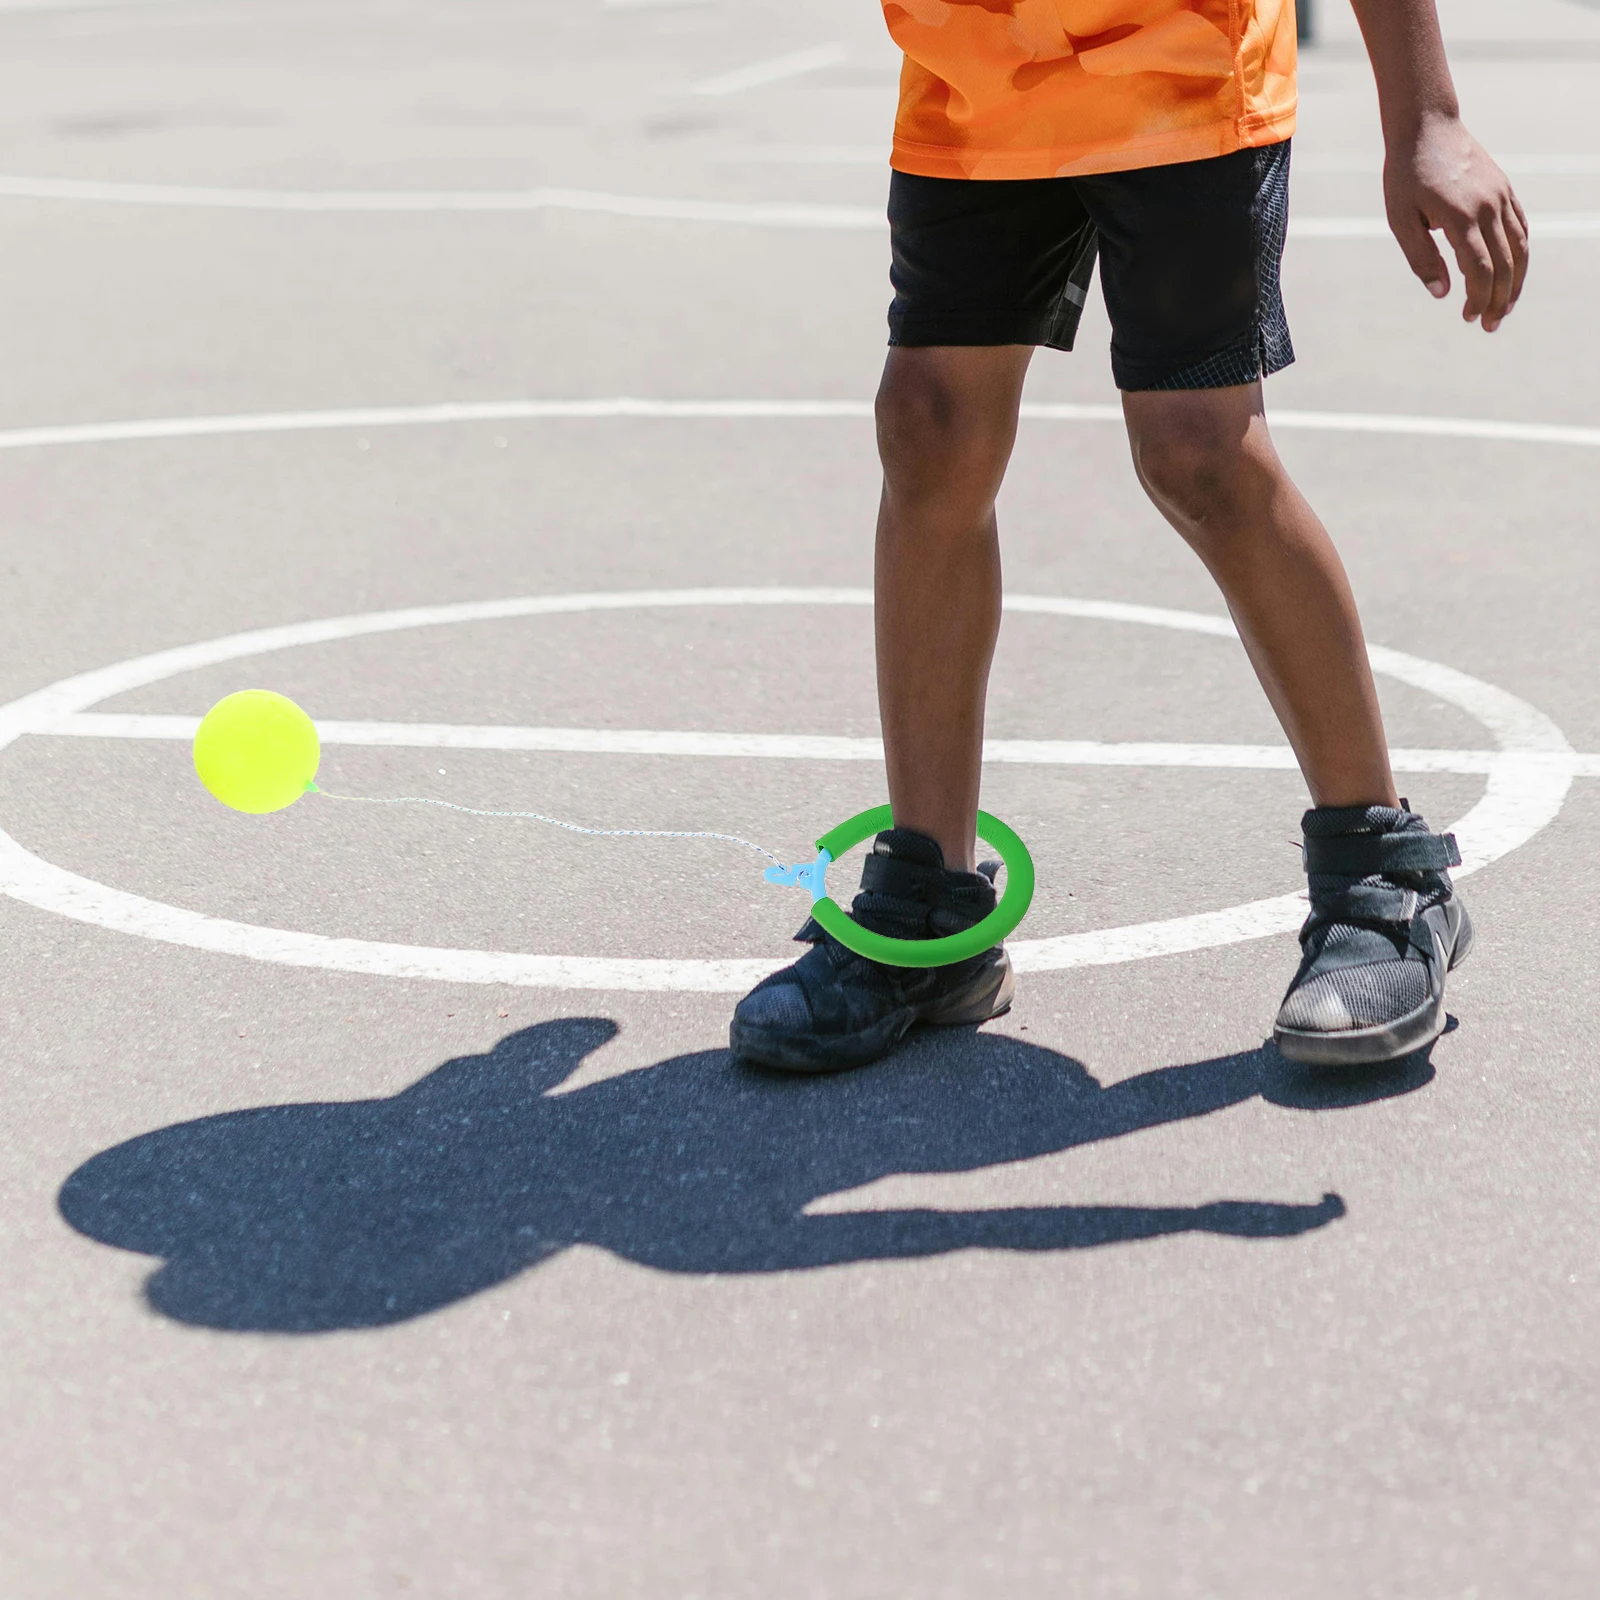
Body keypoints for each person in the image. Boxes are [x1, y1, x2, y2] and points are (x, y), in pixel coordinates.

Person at [731, 0, 1527, 1074]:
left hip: (1179, 71)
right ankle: (929, 906)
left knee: (1198, 448)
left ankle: (1384, 878)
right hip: (977, 75)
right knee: (929, 425)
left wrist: (1424, 115)